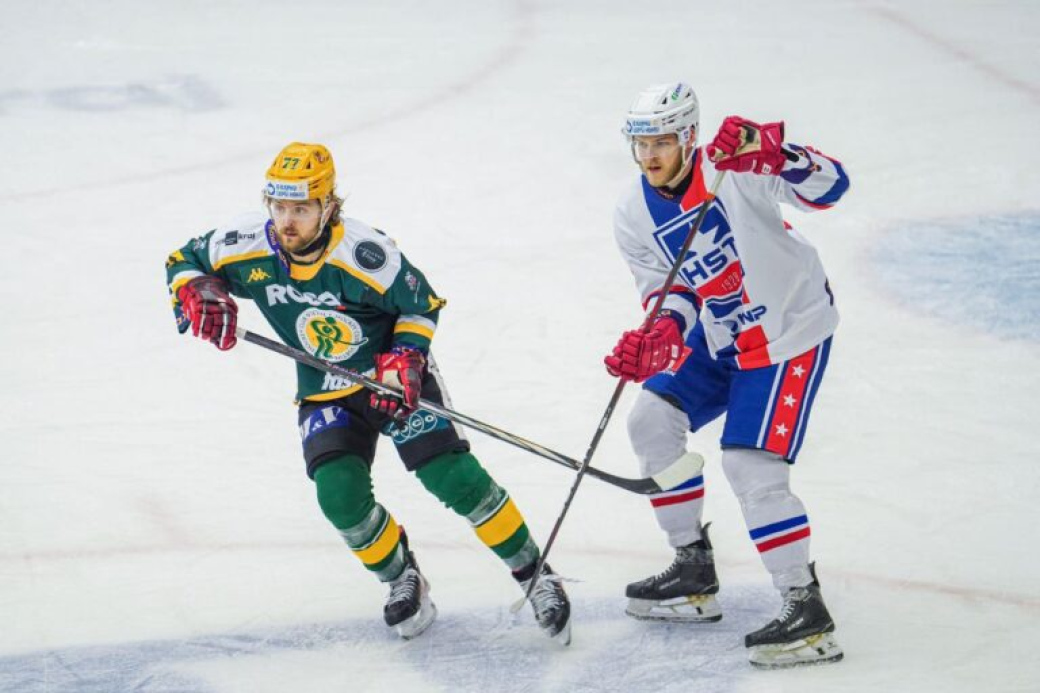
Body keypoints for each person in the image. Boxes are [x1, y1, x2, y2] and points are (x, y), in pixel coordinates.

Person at [164, 142, 570, 644]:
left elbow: (422, 306)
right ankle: (403, 576)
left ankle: (534, 572)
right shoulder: (243, 241)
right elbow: (184, 260)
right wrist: (196, 292)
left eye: (302, 208)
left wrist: (404, 359)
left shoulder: (365, 255)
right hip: (324, 389)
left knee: (453, 478)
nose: (288, 221)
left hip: (388, 379)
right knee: (339, 497)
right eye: (280, 207)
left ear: (328, 205)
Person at [604, 83, 849, 669]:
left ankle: (805, 609)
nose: (651, 156)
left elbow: (832, 187)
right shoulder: (631, 213)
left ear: (688, 137)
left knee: (749, 464)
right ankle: (692, 569)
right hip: (721, 335)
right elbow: (673, 292)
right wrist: (662, 334)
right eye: (642, 144)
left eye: (662, 142)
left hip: (789, 331)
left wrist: (778, 156)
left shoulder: (732, 165)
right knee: (651, 420)